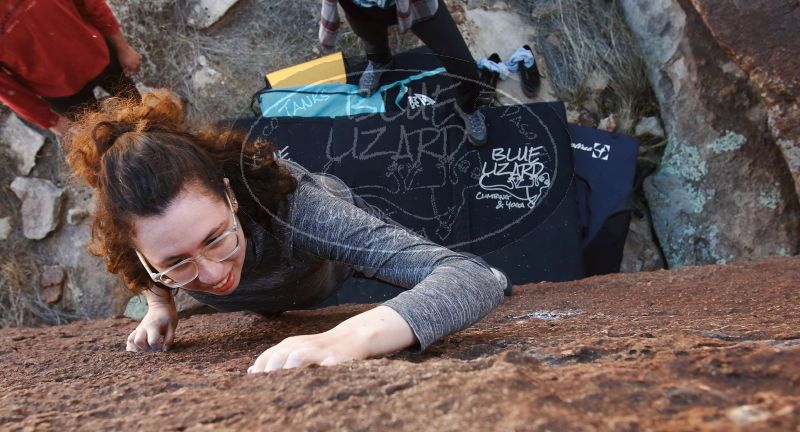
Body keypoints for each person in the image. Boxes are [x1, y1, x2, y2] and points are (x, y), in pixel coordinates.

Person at [64, 90, 509, 373]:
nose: (214, 274)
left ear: (229, 197)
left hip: (325, 265)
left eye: (216, 238)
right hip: (271, 293)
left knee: (416, 264)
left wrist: (343, 341)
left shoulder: (296, 210)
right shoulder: (140, 244)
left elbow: (472, 276)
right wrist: (161, 304)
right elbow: (145, 269)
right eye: (175, 262)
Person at [319, 0, 488, 147]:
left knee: (466, 70)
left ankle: (467, 108)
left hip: (418, 5)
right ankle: (380, 61)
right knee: (373, 42)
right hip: (361, 8)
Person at [0, 0, 141, 136]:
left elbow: (92, 4)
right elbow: (5, 88)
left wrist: (123, 48)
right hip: (58, 92)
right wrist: (50, 120)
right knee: (102, 136)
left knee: (138, 108)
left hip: (96, 54)